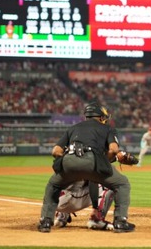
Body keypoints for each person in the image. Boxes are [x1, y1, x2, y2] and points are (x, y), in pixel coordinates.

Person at [37, 100, 135, 233]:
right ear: (101, 117)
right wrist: (104, 162)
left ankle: (45, 222)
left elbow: (56, 151)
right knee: (122, 184)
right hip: (92, 161)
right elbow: (113, 150)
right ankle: (119, 222)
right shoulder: (107, 128)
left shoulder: (73, 128)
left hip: (68, 160)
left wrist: (70, 161)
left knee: (53, 185)